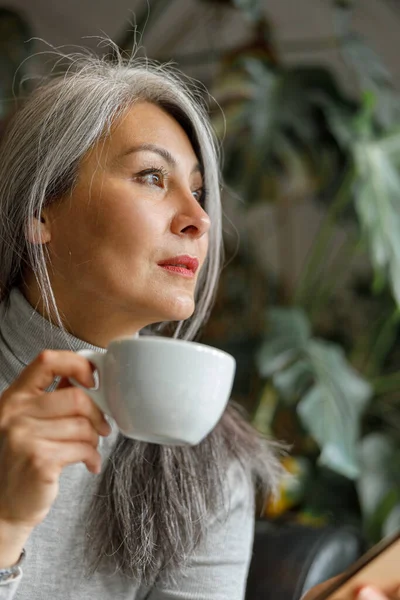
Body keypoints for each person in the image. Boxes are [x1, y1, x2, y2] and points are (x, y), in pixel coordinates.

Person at [0, 46, 395, 600]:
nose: (200, 219)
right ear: (41, 209)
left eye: (201, 193)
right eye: (152, 176)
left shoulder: (211, 466)